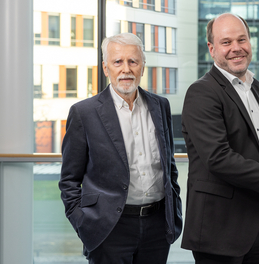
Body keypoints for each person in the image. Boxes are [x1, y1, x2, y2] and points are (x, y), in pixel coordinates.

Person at [181, 13, 259, 264]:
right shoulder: (201, 92)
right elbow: (219, 158)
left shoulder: (257, 88)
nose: (236, 48)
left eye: (242, 39)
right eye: (226, 42)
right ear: (212, 49)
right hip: (221, 228)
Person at [59, 32, 182, 263]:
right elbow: (69, 180)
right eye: (118, 62)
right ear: (106, 68)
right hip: (108, 229)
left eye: (133, 61)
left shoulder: (161, 106)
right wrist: (83, 223)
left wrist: (174, 211)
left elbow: (170, 166)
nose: (126, 69)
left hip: (157, 227)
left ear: (142, 67)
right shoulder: (84, 113)